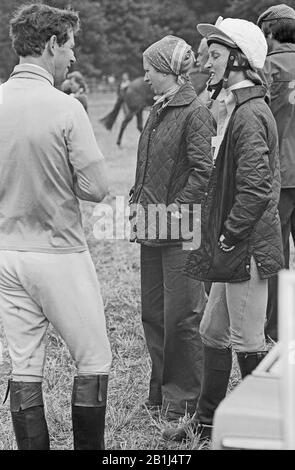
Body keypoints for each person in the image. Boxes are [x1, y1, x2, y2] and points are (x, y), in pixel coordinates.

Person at [163, 17, 284, 442]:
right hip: (232, 245)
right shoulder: (237, 106)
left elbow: (254, 189)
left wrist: (229, 234)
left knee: (248, 341)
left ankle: (263, 430)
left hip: (245, 245)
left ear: (238, 60)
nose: (206, 62)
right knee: (213, 333)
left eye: (214, 55)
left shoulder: (250, 114)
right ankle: (207, 420)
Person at [0, 3, 112, 450]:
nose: (74, 58)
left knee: (24, 366)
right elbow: (98, 188)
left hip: (6, 254)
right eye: (71, 46)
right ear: (50, 45)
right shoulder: (66, 107)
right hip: (58, 251)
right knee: (94, 359)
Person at [129, 35, 214, 420]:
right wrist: (137, 198)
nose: (144, 76)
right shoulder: (158, 109)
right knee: (154, 313)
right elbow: (149, 163)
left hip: (181, 230)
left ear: (166, 70)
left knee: (182, 316)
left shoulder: (194, 111)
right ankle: (161, 393)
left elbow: (203, 173)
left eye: (148, 69)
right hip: (152, 227)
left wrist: (174, 213)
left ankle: (183, 400)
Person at [257, 3, 295, 342]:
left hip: (281, 174)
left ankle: (276, 328)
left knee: (276, 255)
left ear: (269, 33)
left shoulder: (267, 68)